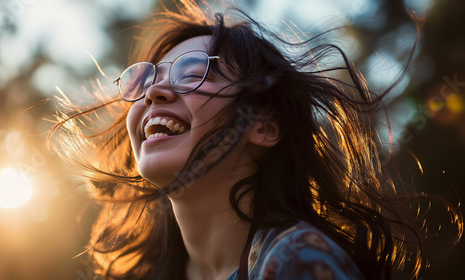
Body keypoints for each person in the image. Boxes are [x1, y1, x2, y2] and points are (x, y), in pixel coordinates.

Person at [49, 0, 462, 279]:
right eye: (146, 78)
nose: (154, 91)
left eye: (193, 71)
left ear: (264, 127)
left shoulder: (296, 260)